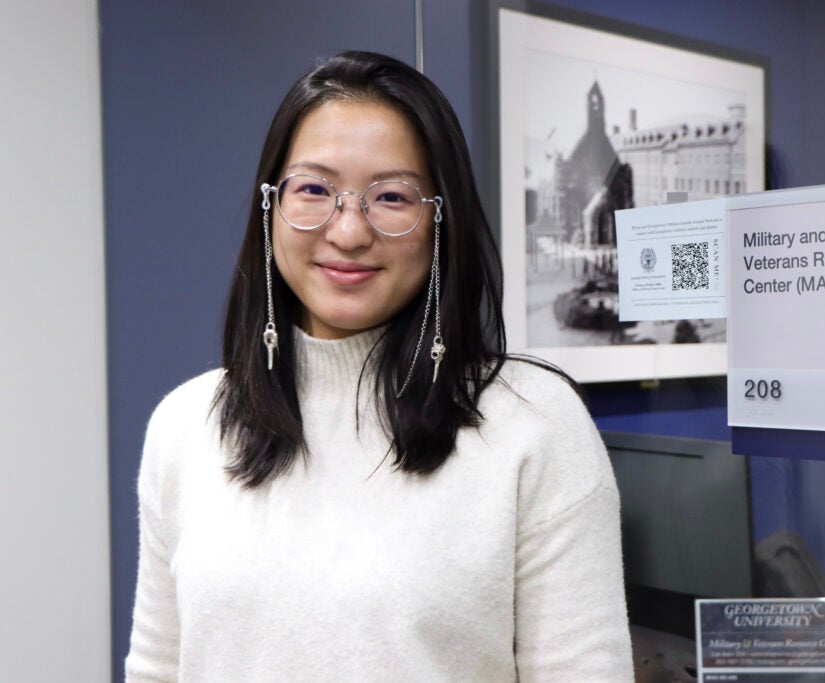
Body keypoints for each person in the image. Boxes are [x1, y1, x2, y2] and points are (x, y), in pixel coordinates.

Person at [125, 51, 633, 681]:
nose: (348, 232)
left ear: (441, 220)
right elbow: (157, 668)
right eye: (314, 189)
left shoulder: (534, 424)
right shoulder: (186, 425)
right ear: (271, 206)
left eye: (391, 196)